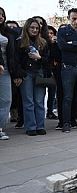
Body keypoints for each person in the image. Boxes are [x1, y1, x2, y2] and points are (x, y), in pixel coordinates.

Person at [14, 18, 49, 136]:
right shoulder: (20, 42)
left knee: (39, 101)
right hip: (26, 74)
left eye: (37, 28)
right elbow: (16, 60)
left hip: (39, 73)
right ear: (27, 28)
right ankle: (31, 127)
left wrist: (39, 58)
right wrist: (18, 75)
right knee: (28, 101)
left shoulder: (43, 42)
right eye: (32, 27)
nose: (34, 30)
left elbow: (47, 61)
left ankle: (40, 126)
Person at [0, 7, 18, 140]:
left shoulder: (9, 32)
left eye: (2, 15)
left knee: (6, 100)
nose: (0, 16)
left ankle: (0, 128)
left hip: (6, 69)